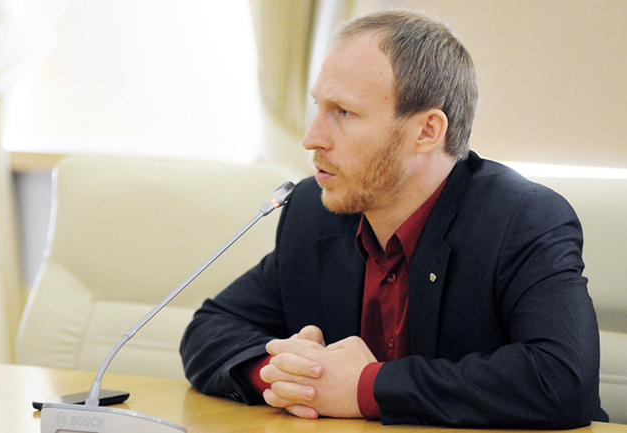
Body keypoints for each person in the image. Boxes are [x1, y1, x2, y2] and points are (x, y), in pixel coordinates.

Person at [180, 9, 607, 428]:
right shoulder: (314, 210)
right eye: (318, 107)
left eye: (343, 112)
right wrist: (289, 375)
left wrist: (367, 387)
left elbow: (562, 380)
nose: (312, 138)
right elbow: (209, 329)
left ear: (426, 131)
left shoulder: (523, 219)